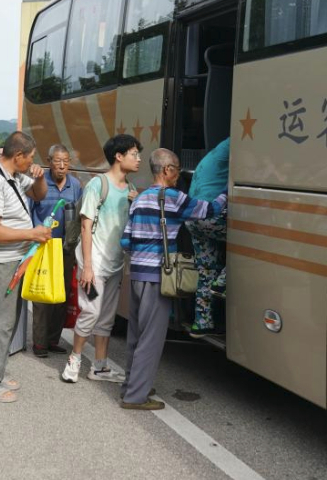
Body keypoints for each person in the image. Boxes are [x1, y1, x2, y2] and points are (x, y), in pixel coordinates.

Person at [119, 148, 227, 410]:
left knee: (136, 335)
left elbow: (125, 240)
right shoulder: (175, 198)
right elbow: (209, 210)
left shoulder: (141, 198)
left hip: (136, 275)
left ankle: (131, 385)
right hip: (159, 276)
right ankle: (135, 397)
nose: (179, 175)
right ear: (167, 170)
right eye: (177, 169)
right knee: (151, 339)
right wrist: (227, 192)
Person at [0, 131, 50, 403]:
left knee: (8, 322)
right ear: (17, 156)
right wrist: (32, 234)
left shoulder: (15, 176)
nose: (31, 162)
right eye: (30, 158)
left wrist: (39, 177)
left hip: (11, 260)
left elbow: (39, 195)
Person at [61, 134, 140, 384]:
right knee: (90, 312)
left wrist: (136, 203)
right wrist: (87, 267)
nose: (138, 159)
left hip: (115, 263)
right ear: (119, 156)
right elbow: (86, 227)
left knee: (106, 316)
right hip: (92, 262)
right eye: (133, 154)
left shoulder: (130, 190)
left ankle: (100, 367)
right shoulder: (98, 185)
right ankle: (74, 359)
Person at [30, 144, 82, 358]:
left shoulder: (76, 185)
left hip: (66, 247)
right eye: (57, 161)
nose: (62, 166)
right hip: (43, 246)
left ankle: (53, 339)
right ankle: (40, 343)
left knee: (62, 294)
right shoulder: (40, 182)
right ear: (49, 161)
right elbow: (29, 211)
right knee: (42, 296)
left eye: (66, 161)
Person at [184, 138, 230, 336]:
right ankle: (223, 279)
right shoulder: (236, 143)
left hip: (193, 218)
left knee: (206, 269)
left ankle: (201, 322)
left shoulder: (217, 152)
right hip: (211, 214)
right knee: (250, 242)